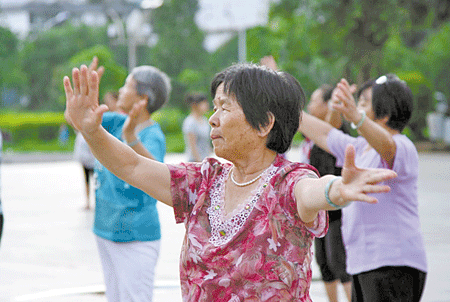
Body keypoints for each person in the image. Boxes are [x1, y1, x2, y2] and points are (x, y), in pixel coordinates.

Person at [64, 62, 397, 302]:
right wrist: (92, 131)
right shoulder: (203, 181)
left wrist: (337, 189)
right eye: (214, 106)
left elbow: (312, 191)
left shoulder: (287, 182)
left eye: (224, 107)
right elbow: (133, 166)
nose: (212, 118)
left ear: (264, 123)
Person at [298, 74, 427, 302]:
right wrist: (286, 108)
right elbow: (325, 133)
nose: (356, 108)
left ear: (385, 114)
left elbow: (387, 145)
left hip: (393, 263)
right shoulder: (359, 148)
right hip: (362, 264)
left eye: (364, 103)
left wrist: (356, 117)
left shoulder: (402, 147)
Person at [68, 57, 171, 302]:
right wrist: (79, 104)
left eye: (127, 86)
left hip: (135, 236)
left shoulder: (153, 134)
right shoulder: (116, 121)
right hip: (105, 230)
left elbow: (156, 172)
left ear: (142, 99)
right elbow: (80, 122)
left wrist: (130, 136)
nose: (121, 91)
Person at [307, 84, 352, 302]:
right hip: (321, 210)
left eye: (315, 100)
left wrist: (336, 105)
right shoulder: (315, 136)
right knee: (324, 264)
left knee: (340, 264)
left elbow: (332, 125)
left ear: (327, 105)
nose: (310, 105)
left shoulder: (337, 133)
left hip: (339, 211)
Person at [182, 93, 212, 162]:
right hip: (195, 161)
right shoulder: (190, 122)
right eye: (203, 104)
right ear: (195, 105)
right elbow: (192, 145)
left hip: (205, 160)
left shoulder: (204, 120)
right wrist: (199, 162)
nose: (206, 106)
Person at [73, 131, 96, 210]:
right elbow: (78, 149)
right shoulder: (80, 136)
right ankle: (88, 202)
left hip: (94, 163)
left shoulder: (91, 134)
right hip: (86, 162)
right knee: (87, 182)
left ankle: (96, 202)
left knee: (96, 183)